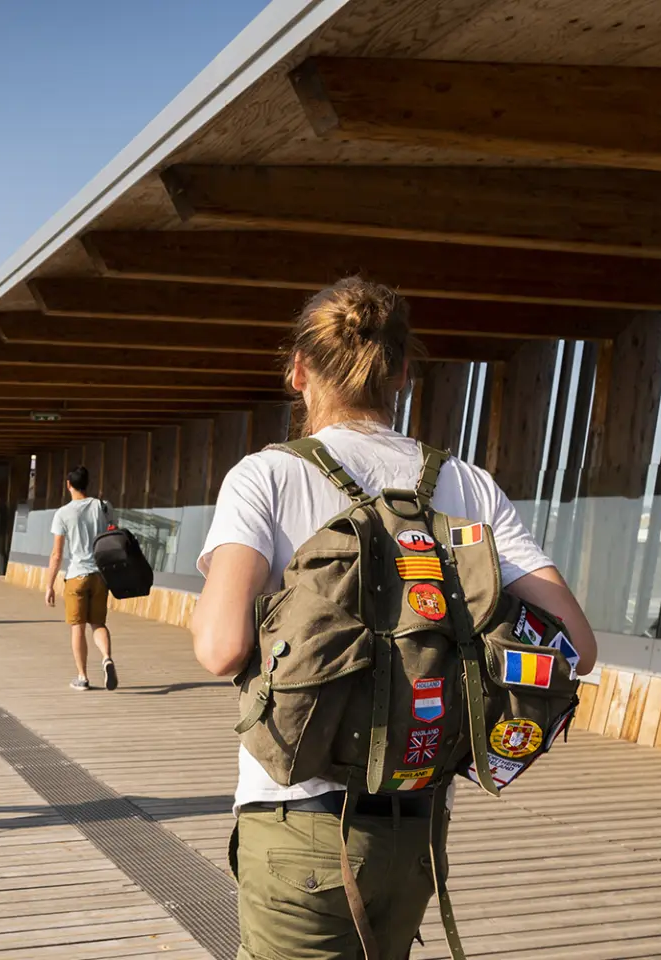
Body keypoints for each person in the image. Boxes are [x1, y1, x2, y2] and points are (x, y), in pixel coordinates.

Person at [189, 277, 600, 959]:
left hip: (297, 824)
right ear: (403, 375)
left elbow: (220, 648)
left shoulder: (266, 476)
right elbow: (576, 645)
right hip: (415, 830)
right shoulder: (466, 484)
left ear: (298, 371)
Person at [42, 465, 118, 691]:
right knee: (98, 624)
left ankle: (82, 677)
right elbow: (114, 534)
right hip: (100, 575)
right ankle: (106, 658)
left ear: (68, 485)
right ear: (88, 483)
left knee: (77, 627)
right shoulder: (103, 507)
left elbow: (57, 553)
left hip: (76, 576)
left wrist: (49, 585)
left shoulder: (63, 513)